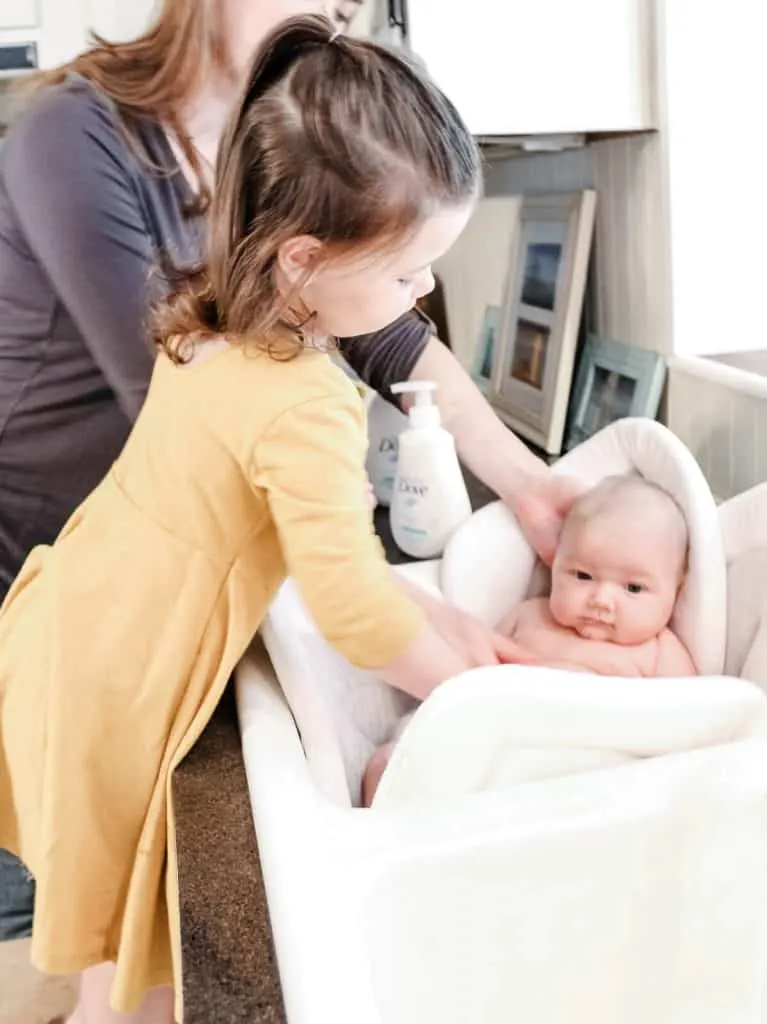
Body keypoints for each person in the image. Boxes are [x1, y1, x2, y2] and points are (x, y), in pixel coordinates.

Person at [0, 13, 547, 1023]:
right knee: (144, 993)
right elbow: (352, 616)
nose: (416, 294)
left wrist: (457, 625)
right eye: (402, 272)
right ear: (299, 258)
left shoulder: (211, 311)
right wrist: (480, 690)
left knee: (104, 963)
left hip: (65, 638)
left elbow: (322, 563)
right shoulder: (305, 405)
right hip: (121, 687)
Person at [362, 475, 696, 806]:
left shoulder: (658, 653)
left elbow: (692, 727)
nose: (601, 599)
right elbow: (472, 672)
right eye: (582, 575)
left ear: (675, 590)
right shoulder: (529, 618)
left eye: (633, 588)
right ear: (555, 564)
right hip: (497, 756)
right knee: (387, 766)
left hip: (585, 776)